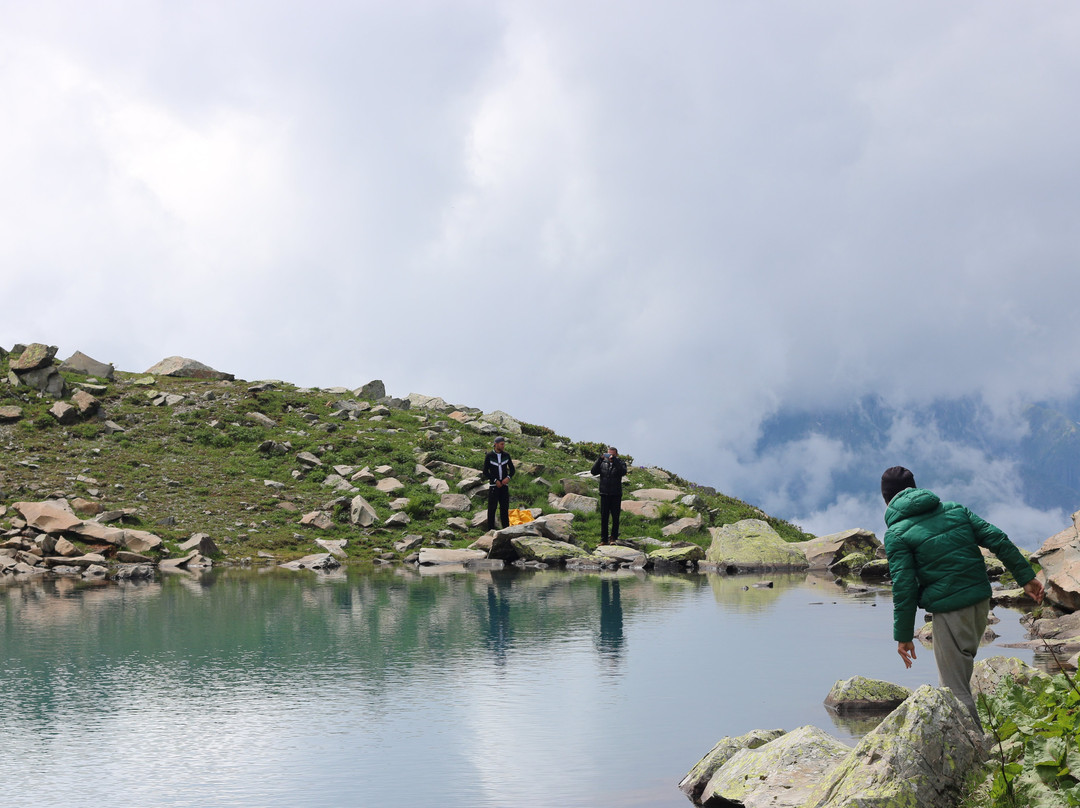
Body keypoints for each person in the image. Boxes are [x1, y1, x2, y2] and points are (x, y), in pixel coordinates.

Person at [881, 466, 1044, 727]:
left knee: (953, 689)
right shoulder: (955, 510)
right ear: (915, 488)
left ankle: (976, 746)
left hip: (951, 610)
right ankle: (988, 737)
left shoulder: (897, 533)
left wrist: (903, 635)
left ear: (887, 499)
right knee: (962, 674)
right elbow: (998, 539)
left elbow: (904, 586)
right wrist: (1026, 578)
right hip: (981, 601)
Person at [591, 446, 628, 545]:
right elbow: (593, 472)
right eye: (608, 454)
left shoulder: (620, 463)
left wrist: (614, 460)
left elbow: (623, 472)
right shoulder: (603, 463)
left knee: (615, 517)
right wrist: (600, 459)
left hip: (616, 494)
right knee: (604, 517)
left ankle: (613, 538)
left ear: (616, 454)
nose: (610, 456)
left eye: (612, 454)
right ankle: (604, 540)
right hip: (604, 493)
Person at [483, 436, 515, 531]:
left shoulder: (506, 455)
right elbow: (485, 471)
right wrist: (495, 480)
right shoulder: (489, 456)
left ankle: (506, 529)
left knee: (504, 508)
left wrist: (508, 478)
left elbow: (512, 470)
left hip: (504, 486)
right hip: (494, 486)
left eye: (504, 444)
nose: (503, 446)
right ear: (496, 444)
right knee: (492, 508)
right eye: (501, 444)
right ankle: (491, 530)